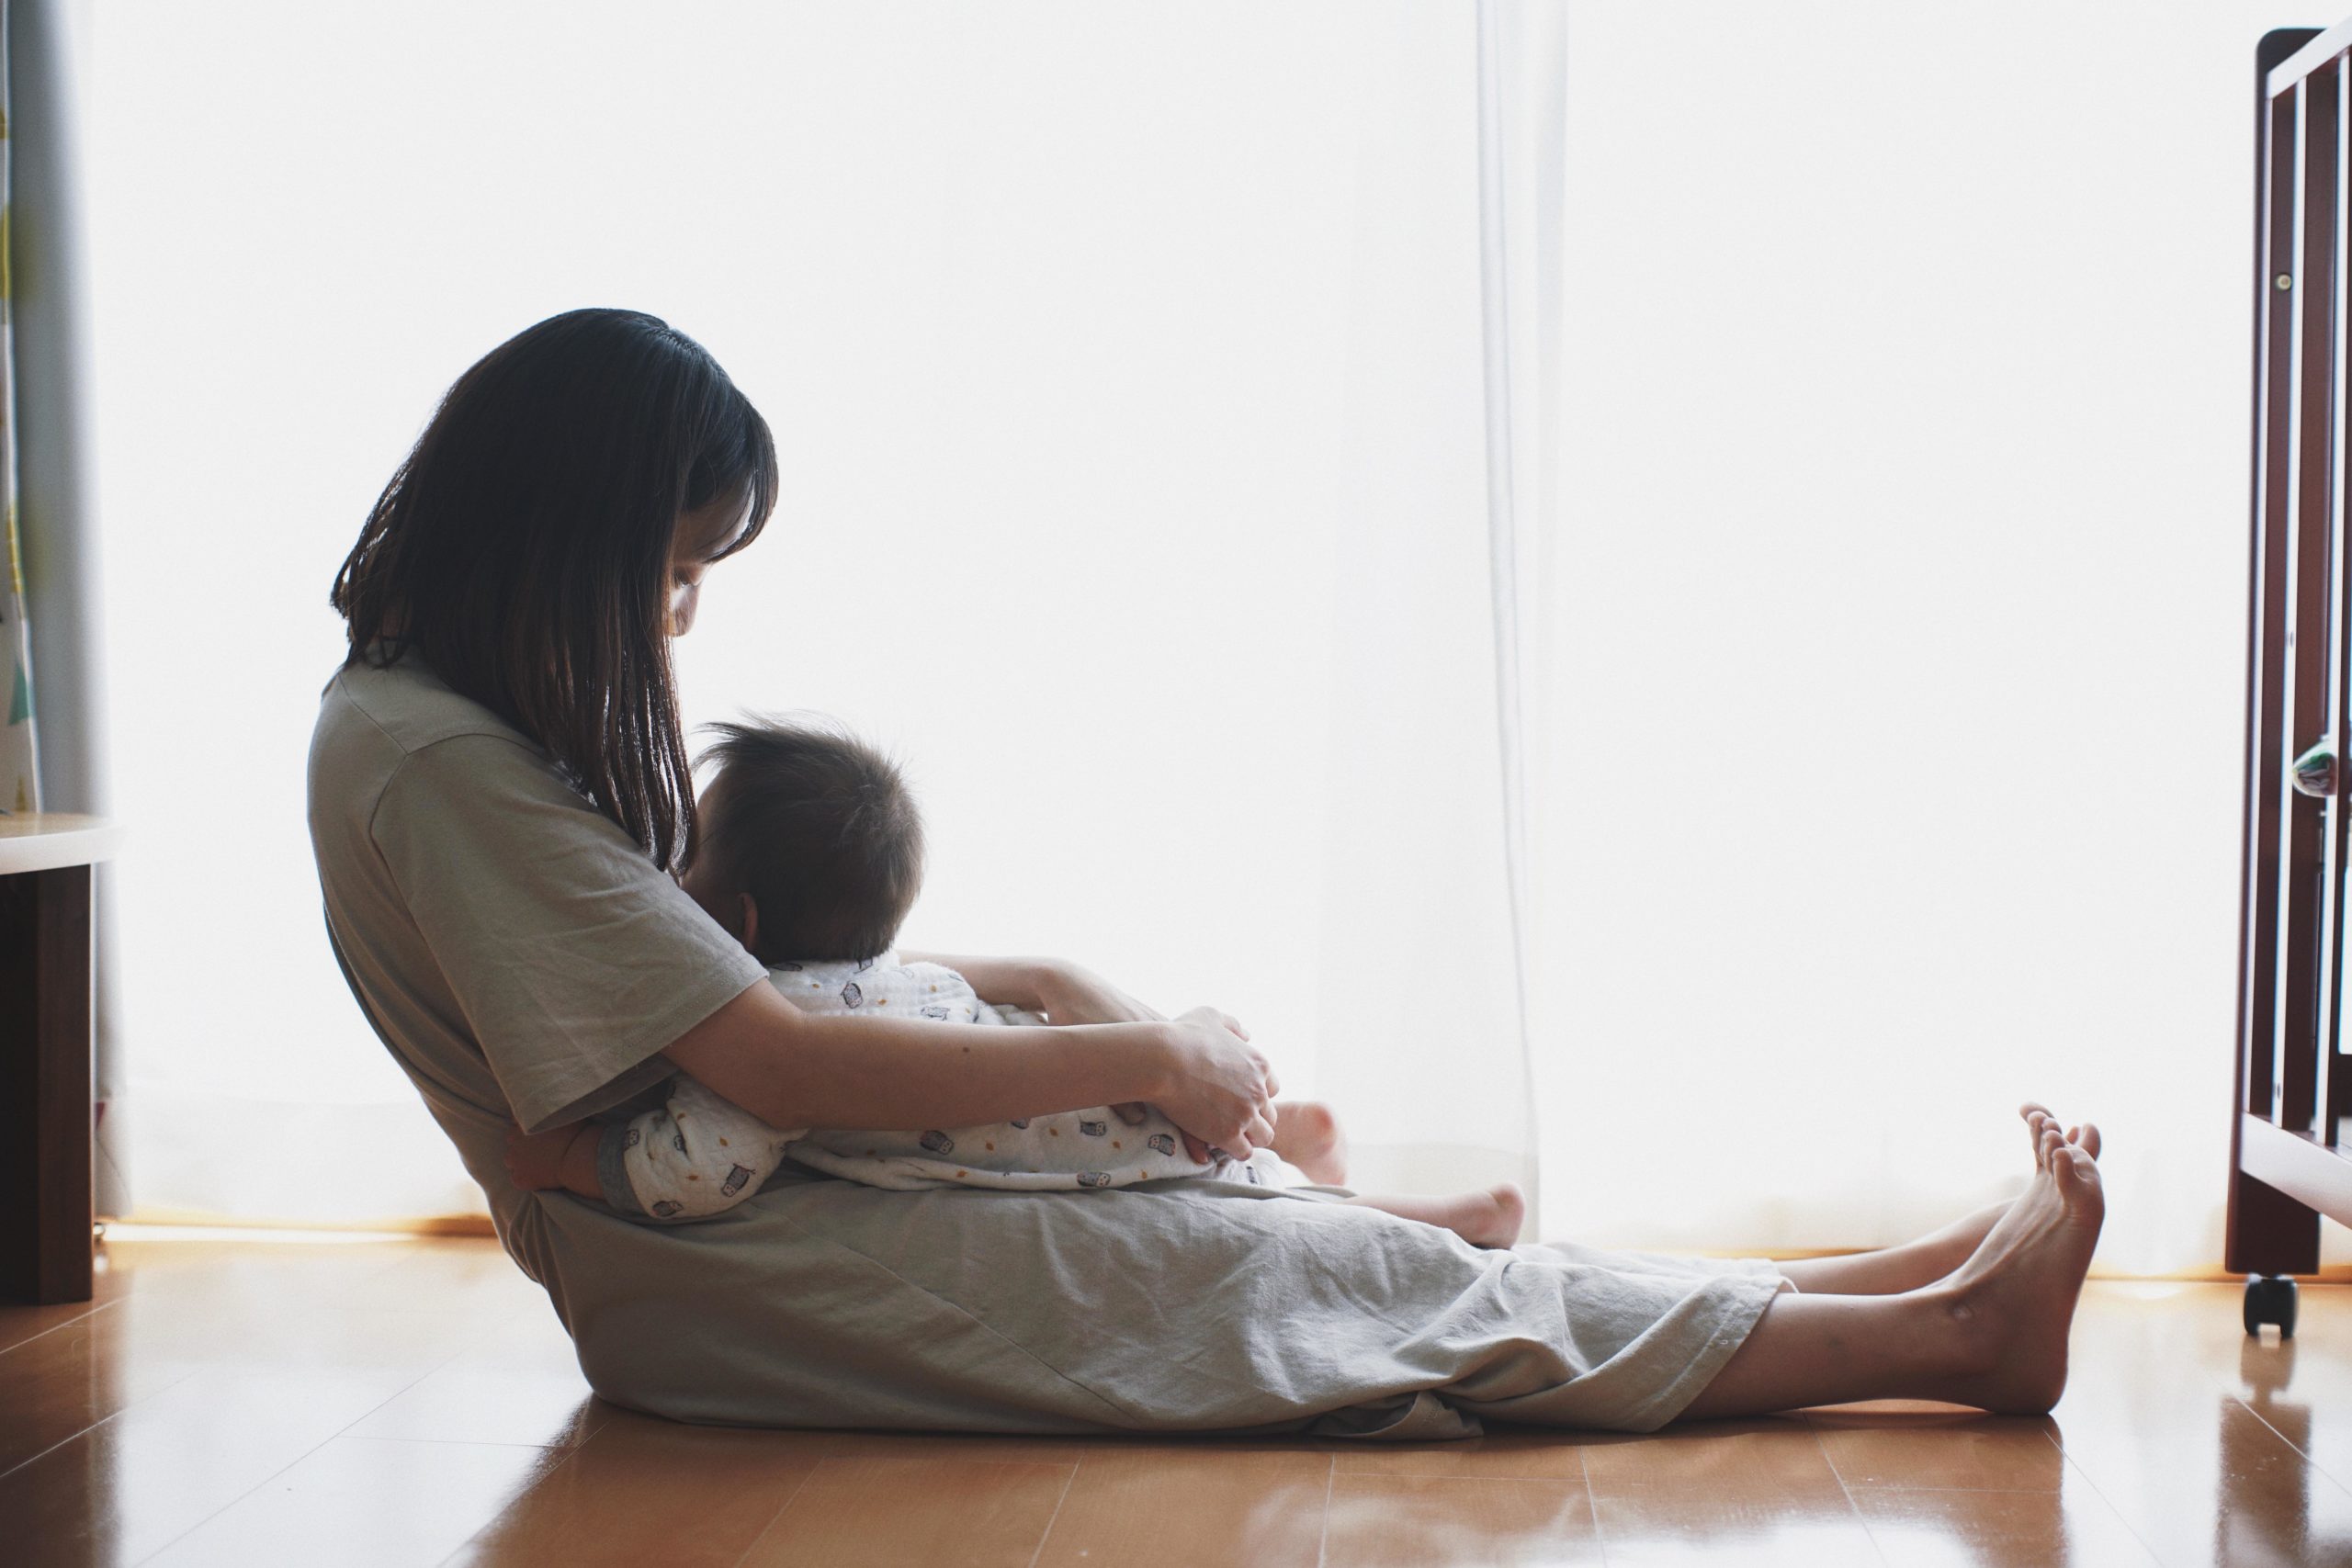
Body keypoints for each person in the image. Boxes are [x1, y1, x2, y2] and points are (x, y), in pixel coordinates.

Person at [307, 307, 2105, 1440]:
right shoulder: (441, 763)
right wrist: (1140, 1055)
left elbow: (737, 1009)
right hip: (734, 1272)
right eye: (674, 564)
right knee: (1329, 1283)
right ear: (571, 533)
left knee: (1299, 1240)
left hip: (772, 1219)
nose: (680, 612)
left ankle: (1891, 1282)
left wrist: (1062, 1001)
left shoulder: (425, 730)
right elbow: (767, 1061)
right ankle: (1947, 1332)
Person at [499, 716, 1528, 1247]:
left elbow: (696, 1171)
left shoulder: (766, 1034)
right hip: (1114, 1090)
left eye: (693, 863)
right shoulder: (882, 975)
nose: (675, 880)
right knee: (1248, 1170)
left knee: (1270, 1216)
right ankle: (1292, 1138)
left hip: (1120, 1141)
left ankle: (1435, 1220)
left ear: (746, 920)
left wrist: (564, 1161)